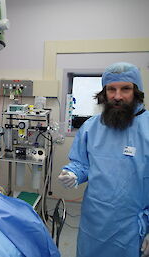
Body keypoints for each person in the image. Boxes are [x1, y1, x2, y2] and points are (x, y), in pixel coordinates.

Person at [58, 62, 149, 257]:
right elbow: (82, 163)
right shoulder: (92, 127)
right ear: (104, 92)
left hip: (132, 227)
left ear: (136, 91)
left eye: (125, 89)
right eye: (111, 89)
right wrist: (73, 173)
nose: (117, 96)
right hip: (95, 221)